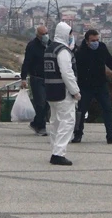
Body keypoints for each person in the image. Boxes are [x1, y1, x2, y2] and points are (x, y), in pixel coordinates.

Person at [72, 29, 112, 144]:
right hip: (85, 86)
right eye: (93, 40)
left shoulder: (102, 48)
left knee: (107, 109)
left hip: (101, 84)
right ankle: (78, 134)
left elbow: (110, 62)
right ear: (87, 41)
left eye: (97, 40)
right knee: (81, 110)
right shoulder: (80, 52)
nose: (95, 42)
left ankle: (111, 134)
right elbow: (74, 70)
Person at [44, 22, 80, 166]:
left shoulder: (49, 49)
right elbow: (67, 73)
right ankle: (58, 153)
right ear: (66, 34)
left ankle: (55, 150)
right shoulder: (63, 51)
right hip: (63, 92)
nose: (72, 36)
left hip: (51, 91)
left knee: (55, 123)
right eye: (70, 33)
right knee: (67, 122)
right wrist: (75, 91)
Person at [21, 25, 51, 136]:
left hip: (48, 78)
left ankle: (35, 123)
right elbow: (26, 62)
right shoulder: (32, 46)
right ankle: (41, 127)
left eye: (46, 33)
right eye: (43, 34)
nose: (45, 36)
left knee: (48, 103)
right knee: (40, 103)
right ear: (37, 34)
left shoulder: (50, 44)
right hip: (37, 78)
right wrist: (23, 77)